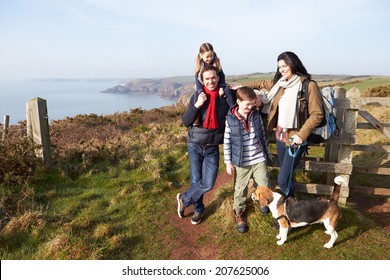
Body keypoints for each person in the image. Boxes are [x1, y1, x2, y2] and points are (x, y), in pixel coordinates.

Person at [256, 51, 323, 198]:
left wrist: (301, 135)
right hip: (281, 136)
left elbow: (317, 114)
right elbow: (261, 84)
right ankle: (291, 209)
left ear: (293, 64)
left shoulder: (308, 85)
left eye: (285, 65)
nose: (282, 69)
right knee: (287, 175)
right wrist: (238, 86)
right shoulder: (281, 84)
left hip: (296, 138)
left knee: (282, 179)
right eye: (279, 67)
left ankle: (289, 208)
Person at [177, 65, 232, 225]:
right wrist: (197, 105)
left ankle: (184, 199)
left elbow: (235, 108)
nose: (210, 81)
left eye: (213, 78)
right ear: (202, 80)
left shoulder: (224, 96)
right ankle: (199, 210)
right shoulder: (198, 96)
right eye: (207, 79)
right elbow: (186, 121)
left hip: (212, 147)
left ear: (218, 77)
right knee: (196, 181)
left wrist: (228, 92)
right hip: (195, 144)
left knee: (208, 183)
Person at [224, 86, 269, 233]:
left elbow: (262, 135)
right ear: (238, 101)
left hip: (258, 158)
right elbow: (227, 141)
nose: (250, 107)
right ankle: (239, 213)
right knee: (240, 188)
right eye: (247, 104)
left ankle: (263, 203)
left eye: (252, 104)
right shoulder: (230, 119)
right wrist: (228, 162)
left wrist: (267, 152)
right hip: (242, 161)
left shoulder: (255, 115)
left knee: (263, 183)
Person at [194, 43, 235, 108]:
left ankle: (233, 109)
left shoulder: (216, 64)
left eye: (211, 56)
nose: (210, 59)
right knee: (196, 95)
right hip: (204, 86)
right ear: (201, 56)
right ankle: (197, 114)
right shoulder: (199, 67)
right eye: (207, 57)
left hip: (217, 84)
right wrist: (200, 91)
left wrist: (221, 87)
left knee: (227, 90)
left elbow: (222, 76)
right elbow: (197, 80)